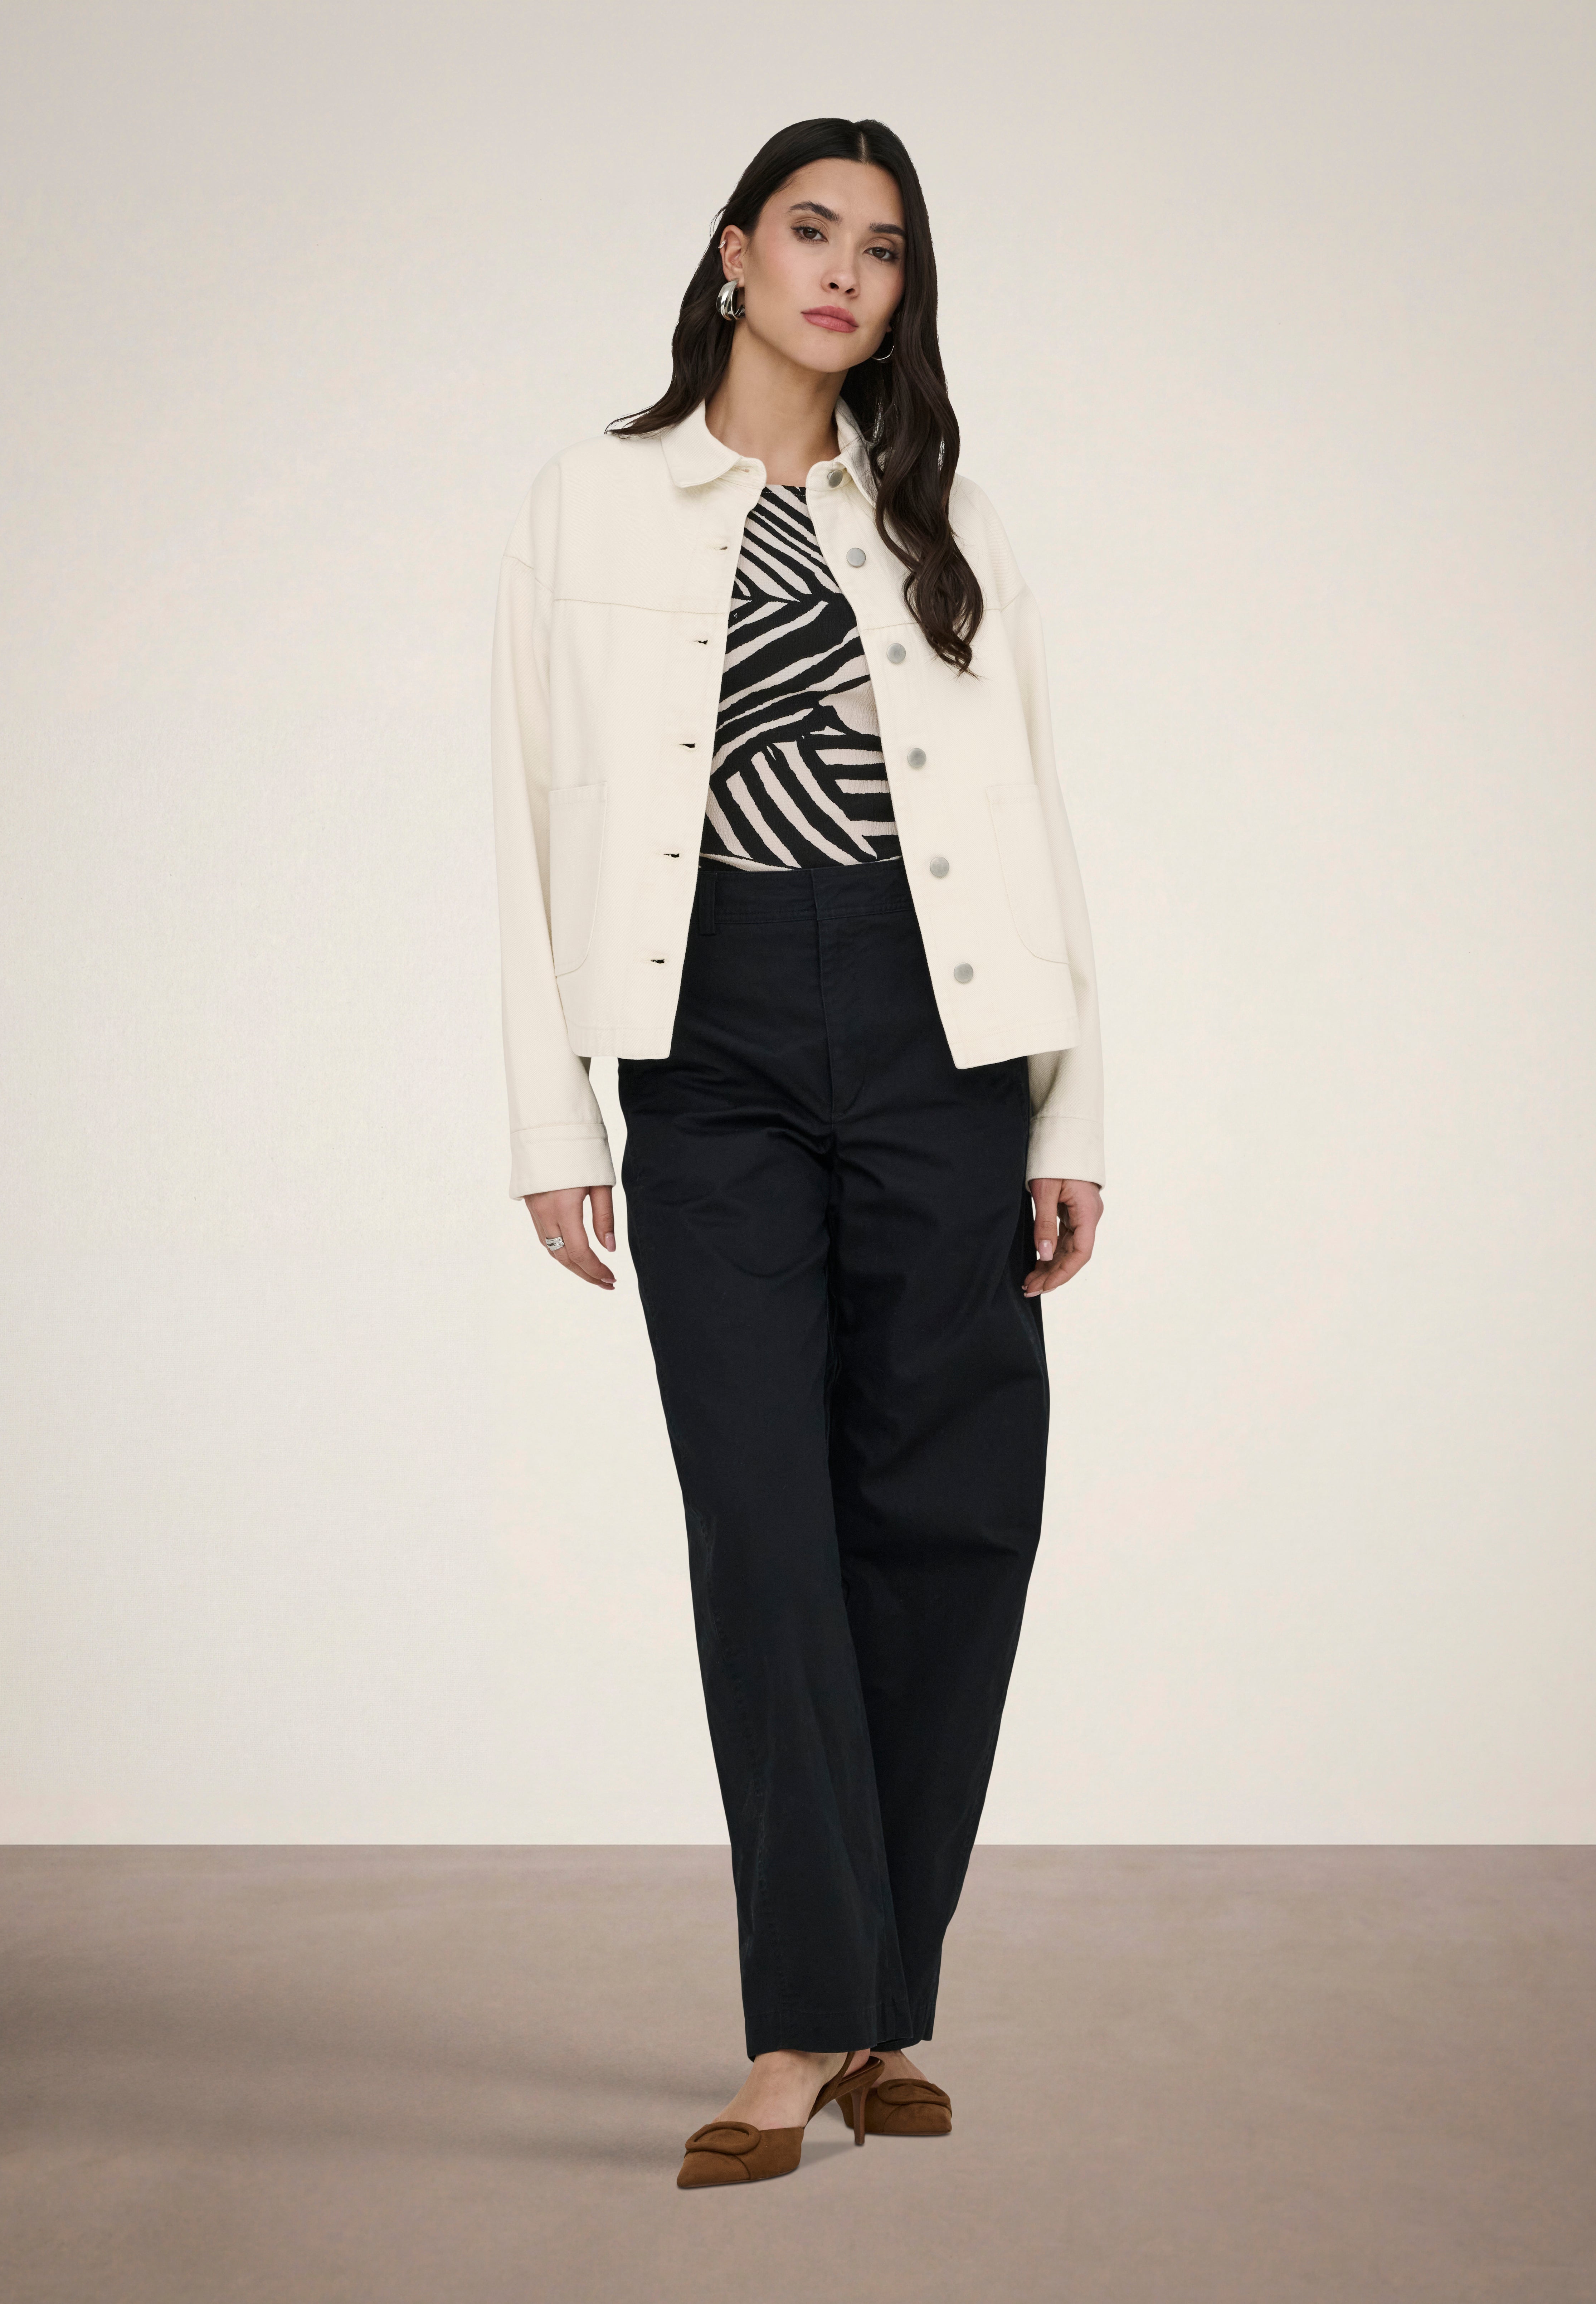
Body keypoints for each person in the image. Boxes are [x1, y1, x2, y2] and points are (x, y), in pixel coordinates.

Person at [489, 116, 1105, 2188]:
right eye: (814, 230)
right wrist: (552, 1111)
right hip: (713, 1038)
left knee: (950, 1515)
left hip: (943, 1033)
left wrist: (1070, 1105)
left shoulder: (942, 517)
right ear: (736, 252)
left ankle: (878, 2010)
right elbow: (521, 809)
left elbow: (1033, 816)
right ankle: (797, 2029)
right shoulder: (593, 501)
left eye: (887, 249)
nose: (848, 272)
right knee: (764, 1526)